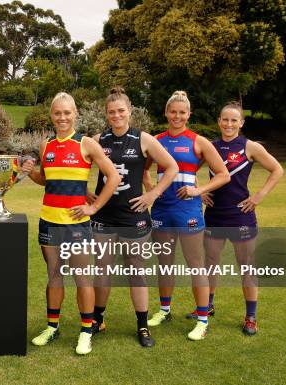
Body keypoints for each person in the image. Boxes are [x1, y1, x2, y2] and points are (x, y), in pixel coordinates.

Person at [25, 92, 121, 355]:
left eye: (67, 112)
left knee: (82, 279)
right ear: (51, 115)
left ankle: (86, 331)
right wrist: (30, 173)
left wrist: (94, 206)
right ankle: (52, 327)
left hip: (77, 225)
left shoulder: (86, 144)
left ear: (75, 113)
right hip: (49, 221)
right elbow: (47, 180)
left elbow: (113, 177)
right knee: (55, 276)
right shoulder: (46, 145)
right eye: (57, 113)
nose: (62, 117)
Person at [88, 87, 178, 347]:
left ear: (129, 112)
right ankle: (97, 320)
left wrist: (153, 195)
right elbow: (77, 171)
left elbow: (171, 167)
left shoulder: (143, 139)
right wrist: (85, 194)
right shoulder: (97, 140)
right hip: (103, 217)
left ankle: (142, 326)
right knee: (102, 270)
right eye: (111, 112)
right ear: (106, 114)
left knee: (136, 271)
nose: (116, 115)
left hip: (134, 218)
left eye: (120, 111)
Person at [145, 90, 230, 341]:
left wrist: (199, 190)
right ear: (166, 112)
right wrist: (153, 192)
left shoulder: (198, 141)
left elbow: (223, 174)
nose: (177, 116)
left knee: (195, 265)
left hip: (188, 211)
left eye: (182, 112)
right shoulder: (155, 140)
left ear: (189, 114)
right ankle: (164, 310)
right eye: (173, 112)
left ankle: (202, 320)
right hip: (162, 210)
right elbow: (143, 170)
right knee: (164, 263)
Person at [197, 101, 283, 335]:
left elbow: (277, 169)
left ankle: (251, 316)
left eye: (234, 120)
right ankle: (208, 306)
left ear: (241, 123)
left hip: (241, 215)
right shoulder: (210, 146)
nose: (229, 123)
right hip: (214, 215)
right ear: (218, 121)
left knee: (246, 267)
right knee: (210, 265)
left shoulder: (250, 147)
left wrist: (258, 197)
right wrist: (201, 192)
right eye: (225, 119)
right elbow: (185, 169)